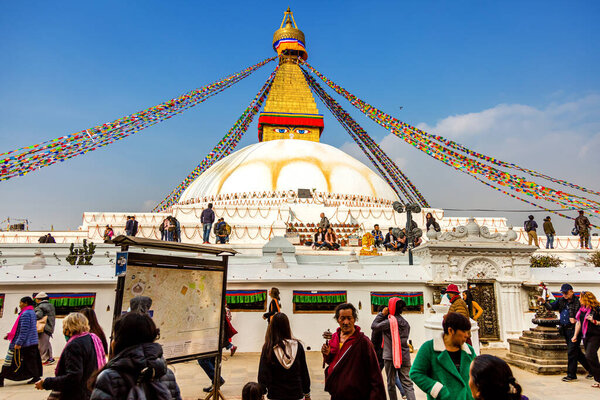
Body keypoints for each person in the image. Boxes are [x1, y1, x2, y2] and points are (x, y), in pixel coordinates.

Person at [90, 312, 181, 400]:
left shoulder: (109, 378)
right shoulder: (166, 373)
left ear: (120, 341)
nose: (112, 341)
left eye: (114, 337)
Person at [34, 312, 106, 400]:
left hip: (77, 394)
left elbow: (74, 377)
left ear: (68, 327)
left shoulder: (74, 345)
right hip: (90, 391)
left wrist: (46, 383)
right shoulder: (93, 339)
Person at [321, 303, 386, 400]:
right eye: (342, 318)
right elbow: (334, 362)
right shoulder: (334, 338)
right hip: (337, 393)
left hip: (357, 394)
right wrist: (327, 355)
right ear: (337, 319)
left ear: (354, 319)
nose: (346, 322)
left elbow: (375, 372)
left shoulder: (363, 342)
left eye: (349, 318)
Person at [410, 312, 476, 400]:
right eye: (463, 331)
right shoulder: (429, 348)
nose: (467, 335)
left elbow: (478, 374)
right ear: (451, 331)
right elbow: (416, 373)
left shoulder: (469, 351)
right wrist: (438, 390)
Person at [540, 283, 590, 381]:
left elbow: (584, 314)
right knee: (577, 352)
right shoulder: (561, 300)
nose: (564, 295)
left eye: (566, 293)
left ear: (571, 291)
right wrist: (544, 302)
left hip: (575, 329)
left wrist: (576, 319)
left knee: (571, 351)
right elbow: (552, 307)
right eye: (563, 293)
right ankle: (593, 370)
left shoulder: (577, 301)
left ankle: (571, 375)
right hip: (565, 329)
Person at [371, 298, 416, 400]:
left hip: (389, 356)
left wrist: (382, 314)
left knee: (391, 383)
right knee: (407, 384)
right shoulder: (405, 323)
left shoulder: (388, 323)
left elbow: (374, 326)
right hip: (404, 355)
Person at [258, 313, 311, 400]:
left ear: (272, 327)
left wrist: (262, 392)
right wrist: (307, 393)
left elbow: (263, 373)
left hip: (275, 394)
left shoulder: (268, 348)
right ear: (287, 326)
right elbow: (304, 371)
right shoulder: (298, 346)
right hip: (296, 393)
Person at [0, 296, 42, 387]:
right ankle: (36, 376)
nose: (19, 304)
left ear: (25, 303)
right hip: (32, 341)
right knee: (31, 361)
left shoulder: (26, 314)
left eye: (21, 302)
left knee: (11, 362)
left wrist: (18, 342)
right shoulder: (31, 312)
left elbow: (24, 330)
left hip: (25, 343)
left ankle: (1, 377)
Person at [572, 291, 600, 387]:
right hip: (585, 335)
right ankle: (598, 379)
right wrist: (575, 335)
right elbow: (578, 323)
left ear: (585, 298)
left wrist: (594, 321)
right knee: (590, 357)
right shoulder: (581, 310)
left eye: (580, 298)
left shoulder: (597, 309)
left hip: (596, 335)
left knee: (590, 355)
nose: (579, 300)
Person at [34, 292, 56, 365]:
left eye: (36, 299)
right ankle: (50, 358)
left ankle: (44, 359)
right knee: (47, 343)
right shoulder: (51, 305)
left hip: (43, 327)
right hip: (50, 327)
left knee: (42, 345)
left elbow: (38, 315)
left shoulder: (40, 307)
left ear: (39, 299)